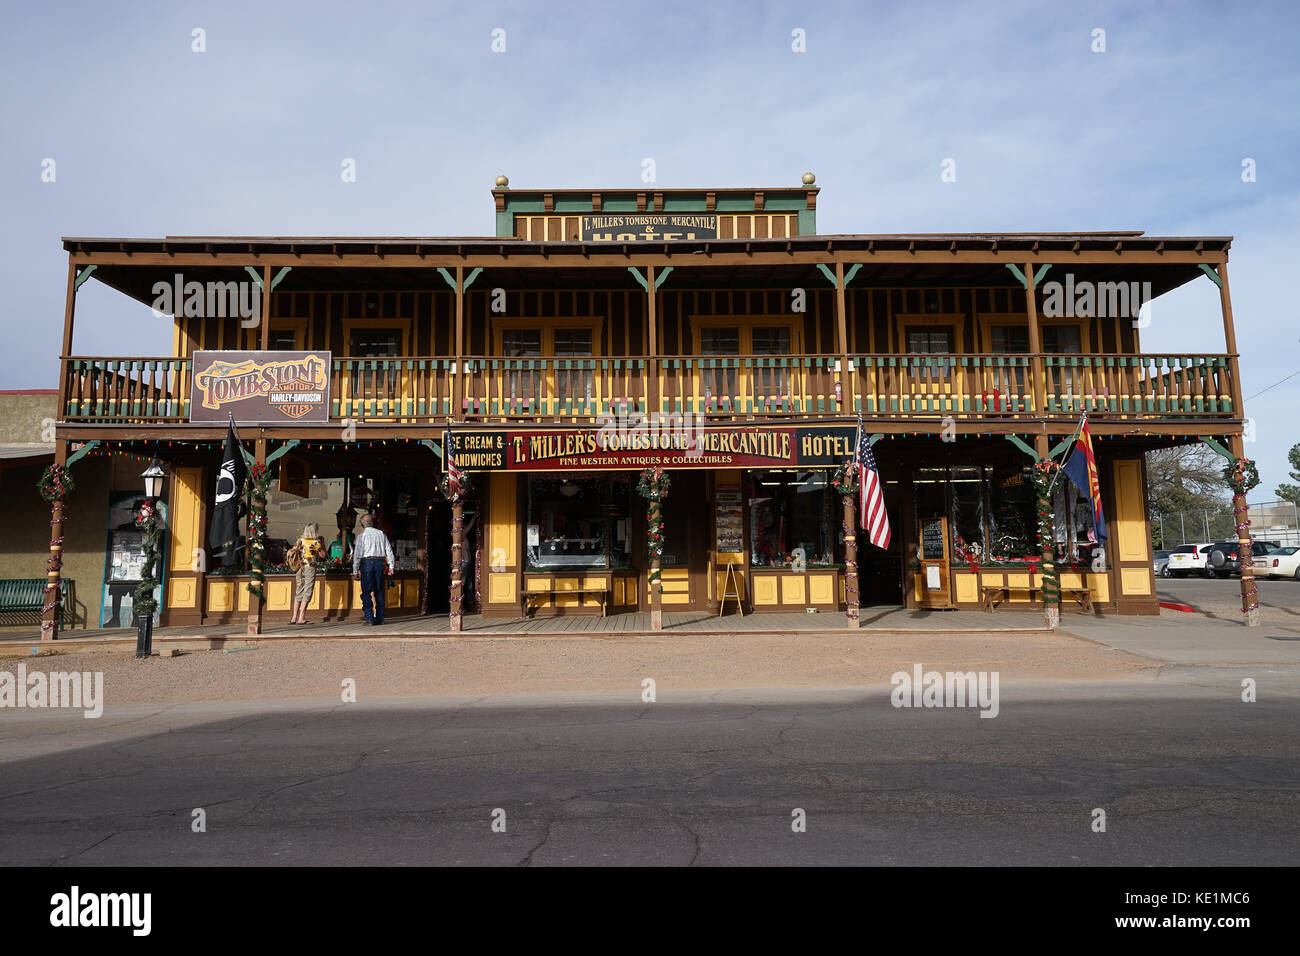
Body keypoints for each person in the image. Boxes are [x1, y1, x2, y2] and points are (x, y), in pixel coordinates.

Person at [352, 512, 395, 625]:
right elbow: (388, 550)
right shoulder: (381, 534)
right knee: (379, 591)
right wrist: (391, 565)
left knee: (366, 591)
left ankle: (369, 618)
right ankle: (380, 618)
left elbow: (357, 555)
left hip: (366, 563)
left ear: (362, 525)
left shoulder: (361, 536)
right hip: (379, 562)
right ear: (372, 523)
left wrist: (355, 571)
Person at [289, 522, 326, 625]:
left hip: (299, 568)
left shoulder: (300, 541)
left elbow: (293, 550)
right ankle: (301, 618)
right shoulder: (316, 542)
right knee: (308, 590)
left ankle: (293, 618)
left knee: (299, 590)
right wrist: (322, 543)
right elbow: (323, 555)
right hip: (310, 567)